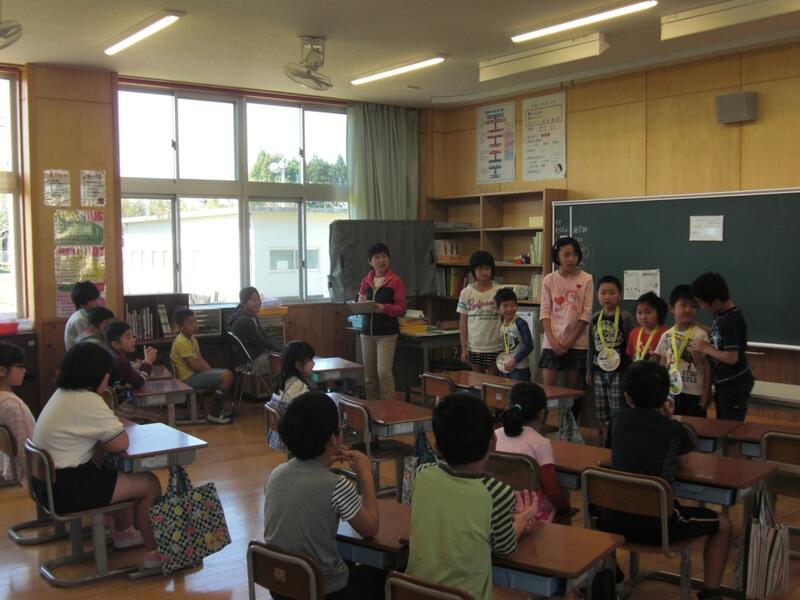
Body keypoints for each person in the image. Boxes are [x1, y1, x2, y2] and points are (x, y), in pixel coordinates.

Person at [594, 361, 731, 600]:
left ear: (627, 397)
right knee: (725, 524)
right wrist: (669, 418)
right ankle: (711, 593)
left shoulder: (618, 420)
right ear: (665, 396)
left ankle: (611, 570)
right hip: (658, 527)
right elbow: (684, 462)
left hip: (612, 520)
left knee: (594, 503)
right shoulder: (672, 429)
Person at [31, 343, 162, 568]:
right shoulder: (87, 400)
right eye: (106, 372)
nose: (108, 377)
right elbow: (120, 443)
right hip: (69, 489)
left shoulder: (62, 394)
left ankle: (123, 532)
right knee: (149, 483)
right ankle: (154, 555)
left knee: (117, 471)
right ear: (95, 374)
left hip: (46, 487)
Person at [406, 392, 539, 600]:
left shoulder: (422, 474)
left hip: (413, 595)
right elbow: (506, 548)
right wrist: (523, 519)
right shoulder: (497, 493)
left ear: (438, 446)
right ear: (493, 441)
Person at [263, 391, 382, 599]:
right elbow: (370, 529)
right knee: (383, 575)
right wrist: (366, 475)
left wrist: (324, 462)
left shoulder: (276, 474)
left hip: (282, 587)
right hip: (325, 590)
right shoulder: (336, 485)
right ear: (334, 438)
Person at [494, 382, 570, 514]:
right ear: (541, 414)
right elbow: (551, 488)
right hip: (529, 511)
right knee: (564, 496)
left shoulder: (494, 435)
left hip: (496, 505)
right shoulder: (541, 443)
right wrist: (564, 507)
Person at [539, 237, 593, 412]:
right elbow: (545, 312)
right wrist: (552, 340)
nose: (571, 259)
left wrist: (570, 341)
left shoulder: (586, 279)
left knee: (571, 394)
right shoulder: (549, 279)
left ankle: (568, 425)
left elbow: (585, 314)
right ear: (557, 256)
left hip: (577, 341)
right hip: (552, 340)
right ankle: (545, 422)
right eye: (567, 254)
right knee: (548, 391)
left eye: (575, 255)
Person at [690, 272, 754, 421]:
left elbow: (731, 357)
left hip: (734, 385)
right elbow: (718, 334)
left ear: (715, 302)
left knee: (730, 427)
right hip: (725, 382)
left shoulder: (731, 320)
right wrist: (696, 324)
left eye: (700, 303)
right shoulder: (721, 313)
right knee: (722, 421)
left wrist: (706, 348)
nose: (700, 306)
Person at [586, 275, 635, 447]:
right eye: (603, 293)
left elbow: (631, 347)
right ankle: (606, 439)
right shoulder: (594, 318)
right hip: (599, 370)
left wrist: (630, 373)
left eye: (612, 292)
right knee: (601, 409)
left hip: (619, 372)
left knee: (618, 408)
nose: (607, 297)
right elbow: (590, 345)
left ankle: (619, 440)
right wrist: (589, 370)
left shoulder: (626, 318)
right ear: (597, 295)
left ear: (620, 295)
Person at [357, 243, 406, 399]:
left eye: (384, 256)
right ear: (370, 261)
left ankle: (390, 408)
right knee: (369, 376)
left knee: (384, 373)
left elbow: (401, 308)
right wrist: (360, 304)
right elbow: (360, 305)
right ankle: (373, 409)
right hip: (367, 333)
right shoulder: (365, 281)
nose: (381, 260)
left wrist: (383, 308)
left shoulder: (395, 281)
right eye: (377, 257)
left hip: (387, 334)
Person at [654, 285, 711, 417]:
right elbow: (663, 363)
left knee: (695, 425)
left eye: (693, 306)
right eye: (683, 305)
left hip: (695, 392)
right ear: (672, 308)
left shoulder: (700, 334)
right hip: (671, 391)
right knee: (672, 423)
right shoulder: (666, 335)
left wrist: (706, 391)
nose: (688, 310)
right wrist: (661, 389)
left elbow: (707, 366)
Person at [170, 308, 233, 425]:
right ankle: (214, 414)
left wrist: (212, 372)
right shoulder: (181, 342)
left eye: (195, 321)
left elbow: (200, 360)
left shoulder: (192, 339)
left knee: (225, 374)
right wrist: (214, 374)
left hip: (195, 375)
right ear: (180, 327)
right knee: (227, 376)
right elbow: (194, 366)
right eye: (190, 323)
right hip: (187, 379)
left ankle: (217, 410)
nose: (195, 325)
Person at [458, 251, 502, 374]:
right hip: (474, 347)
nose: (484, 272)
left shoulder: (499, 291)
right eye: (480, 269)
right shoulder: (466, 293)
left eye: (487, 268)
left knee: (493, 380)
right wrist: (464, 348)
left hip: (496, 345)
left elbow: (505, 320)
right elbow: (463, 322)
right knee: (477, 379)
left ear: (492, 269)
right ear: (473, 270)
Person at [267, 340, 315, 451]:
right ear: (298, 365)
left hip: (280, 436)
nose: (313, 363)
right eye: (310, 360)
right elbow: (308, 413)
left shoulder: (282, 379)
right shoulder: (298, 386)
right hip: (295, 437)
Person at [226, 286, 282, 375]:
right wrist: (283, 351)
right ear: (244, 303)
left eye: (258, 299)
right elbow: (262, 342)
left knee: (287, 355)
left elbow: (265, 336)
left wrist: (283, 349)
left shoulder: (251, 315)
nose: (258, 302)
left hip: (256, 356)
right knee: (288, 360)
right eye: (253, 300)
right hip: (251, 362)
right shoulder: (244, 320)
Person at [0, 342, 35, 482]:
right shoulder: (11, 406)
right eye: (19, 366)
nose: (24, 370)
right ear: (2, 371)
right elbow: (25, 451)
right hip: (22, 480)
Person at [106, 320, 158, 400]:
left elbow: (132, 375)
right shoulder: (119, 360)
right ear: (115, 344)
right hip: (120, 401)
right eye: (128, 337)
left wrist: (144, 362)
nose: (133, 340)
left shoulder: (115, 355)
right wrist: (148, 363)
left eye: (132, 336)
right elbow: (137, 382)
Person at [494, 287, 534, 381]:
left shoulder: (520, 323)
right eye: (505, 306)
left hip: (520, 369)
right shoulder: (502, 326)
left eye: (512, 305)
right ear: (498, 309)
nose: (509, 309)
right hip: (506, 368)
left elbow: (529, 345)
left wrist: (515, 360)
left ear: (517, 305)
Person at [626, 291, 668, 363]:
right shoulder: (634, 333)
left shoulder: (665, 334)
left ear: (659, 313)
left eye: (648, 312)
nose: (643, 317)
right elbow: (631, 356)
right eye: (639, 313)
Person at [64, 280, 101, 351]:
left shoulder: (83, 314)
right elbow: (90, 342)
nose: (97, 303)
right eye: (93, 300)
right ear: (82, 302)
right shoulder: (80, 319)